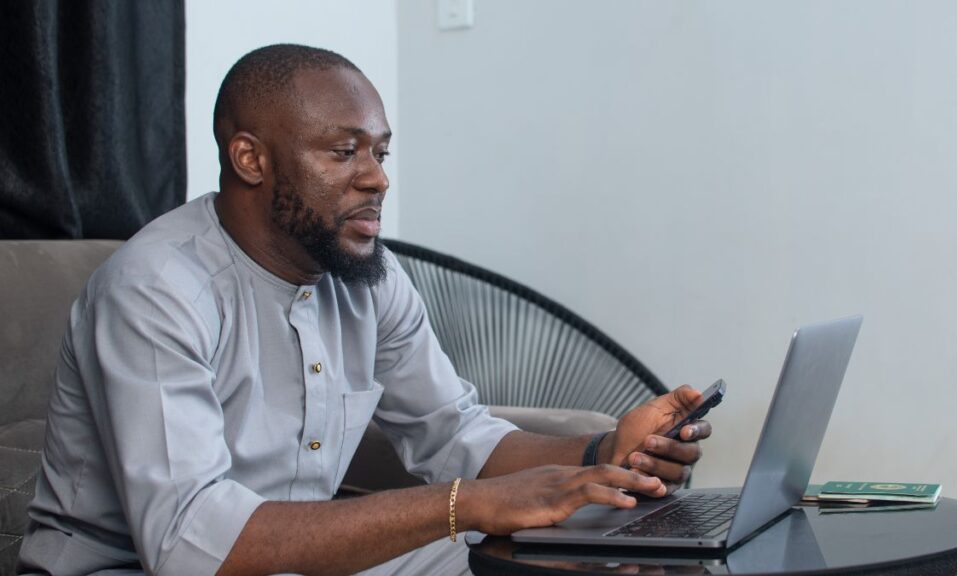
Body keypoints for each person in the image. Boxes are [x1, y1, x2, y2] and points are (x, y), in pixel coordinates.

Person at [19, 44, 711, 576]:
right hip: (142, 568)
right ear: (251, 159)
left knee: (556, 558)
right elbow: (191, 542)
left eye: (380, 152)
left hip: (293, 561)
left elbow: (454, 433)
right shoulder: (155, 290)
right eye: (343, 151)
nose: (377, 176)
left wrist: (602, 452)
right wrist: (462, 503)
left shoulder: (367, 278)